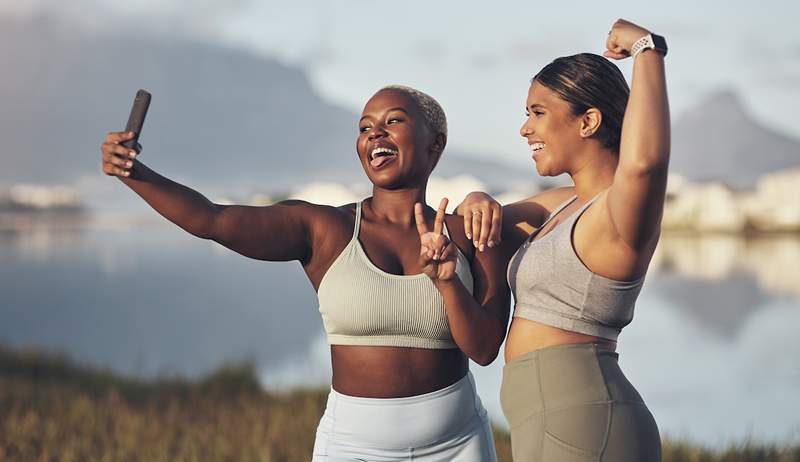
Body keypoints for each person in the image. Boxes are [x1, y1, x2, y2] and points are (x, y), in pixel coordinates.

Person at [100, 85, 509, 461]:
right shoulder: (323, 229)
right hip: (353, 448)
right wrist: (136, 173)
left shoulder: (472, 232)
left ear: (435, 144)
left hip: (457, 445)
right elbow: (213, 219)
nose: (375, 134)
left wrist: (448, 282)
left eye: (393, 121)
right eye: (365, 127)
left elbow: (486, 350)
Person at [456, 19, 668, 461]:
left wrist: (646, 49)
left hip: (588, 425)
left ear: (588, 121)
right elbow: (472, 230)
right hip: (553, 421)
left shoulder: (619, 214)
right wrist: (476, 198)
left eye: (538, 112)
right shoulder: (561, 205)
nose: (524, 129)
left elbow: (645, 161)